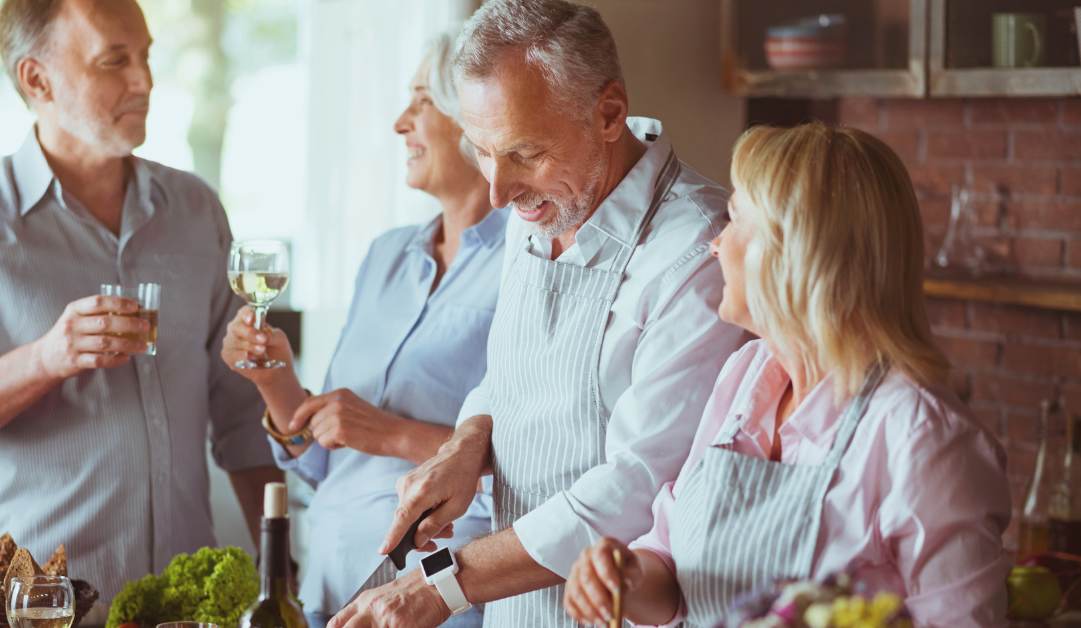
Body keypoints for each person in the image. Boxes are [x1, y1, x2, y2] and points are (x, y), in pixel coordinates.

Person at [332, 1, 749, 626]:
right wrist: (468, 443)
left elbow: (635, 486)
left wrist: (439, 587)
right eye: (481, 152)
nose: (497, 193)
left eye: (524, 154)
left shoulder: (698, 252)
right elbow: (510, 375)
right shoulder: (537, 209)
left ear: (609, 114)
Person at [0, 0, 283, 608]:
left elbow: (241, 420)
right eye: (114, 60)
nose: (144, 80)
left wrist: (281, 577)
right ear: (36, 79)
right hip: (36, 615)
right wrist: (45, 359)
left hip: (179, 612)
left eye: (145, 56)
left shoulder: (198, 211)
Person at [562, 123, 1012, 627]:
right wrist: (625, 577)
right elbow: (671, 562)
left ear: (795, 254)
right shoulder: (746, 376)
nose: (715, 245)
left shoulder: (925, 440)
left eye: (734, 221)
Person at [220, 30, 506, 628]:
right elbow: (320, 457)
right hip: (330, 586)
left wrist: (393, 434)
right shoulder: (385, 256)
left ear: (476, 120)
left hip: (436, 599)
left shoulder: (527, 260)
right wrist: (277, 385)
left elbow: (542, 455)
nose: (402, 122)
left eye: (422, 100)